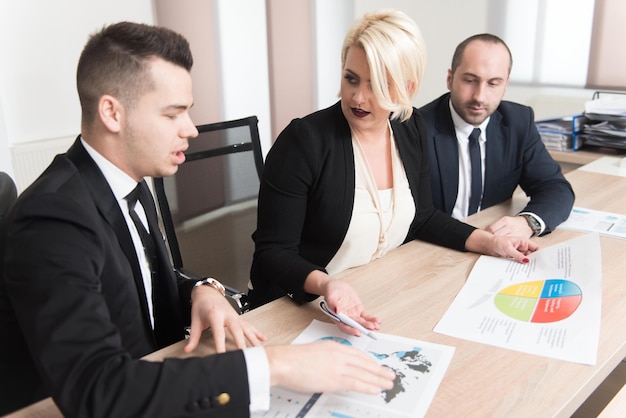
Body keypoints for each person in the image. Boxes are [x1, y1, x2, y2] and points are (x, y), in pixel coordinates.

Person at [0, 22, 395, 417]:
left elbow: (145, 282)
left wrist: (201, 290)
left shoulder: (127, 182)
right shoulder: (53, 220)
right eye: (174, 114)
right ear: (111, 113)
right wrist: (276, 365)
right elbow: (97, 392)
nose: (190, 129)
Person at [249, 10, 539, 332]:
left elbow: (424, 216)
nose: (359, 97)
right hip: (300, 309)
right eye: (351, 78)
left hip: (379, 297)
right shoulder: (304, 141)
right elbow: (272, 253)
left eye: (378, 85)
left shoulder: (409, 126)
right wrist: (326, 284)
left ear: (407, 87)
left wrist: (488, 242)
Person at [419, 33, 575, 238]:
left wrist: (527, 223)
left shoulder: (518, 122)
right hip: (436, 245)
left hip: (492, 242)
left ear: (505, 84)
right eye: (469, 80)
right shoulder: (417, 127)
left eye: (493, 83)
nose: (479, 97)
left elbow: (555, 188)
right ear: (450, 79)